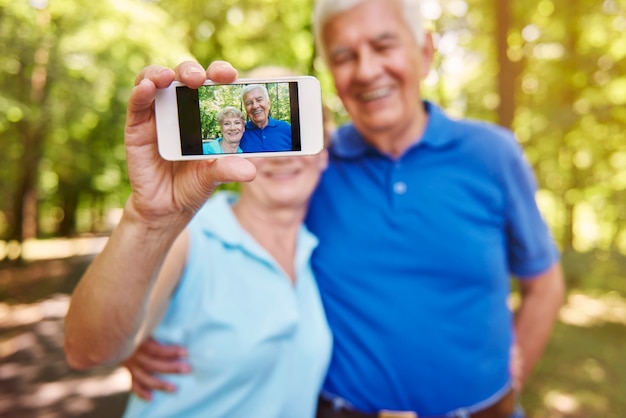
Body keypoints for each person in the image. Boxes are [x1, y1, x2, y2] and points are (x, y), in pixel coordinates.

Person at [123, 0, 566, 416]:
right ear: (331, 72)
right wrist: (135, 326)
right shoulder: (314, 166)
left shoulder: (492, 154)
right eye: (344, 55)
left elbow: (543, 283)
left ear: (425, 51)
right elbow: (236, 244)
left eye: (383, 45)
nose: (367, 70)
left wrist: (510, 376)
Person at [63, 60, 332, 418]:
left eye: (299, 146)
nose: (281, 158)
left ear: (324, 154)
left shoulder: (317, 249)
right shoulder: (194, 235)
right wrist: (148, 220)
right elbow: (88, 351)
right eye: (263, 149)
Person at [239, 83, 293, 152]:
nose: (255, 106)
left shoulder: (287, 129)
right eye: (249, 103)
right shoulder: (240, 132)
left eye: (259, 100)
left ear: (268, 103)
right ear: (245, 109)